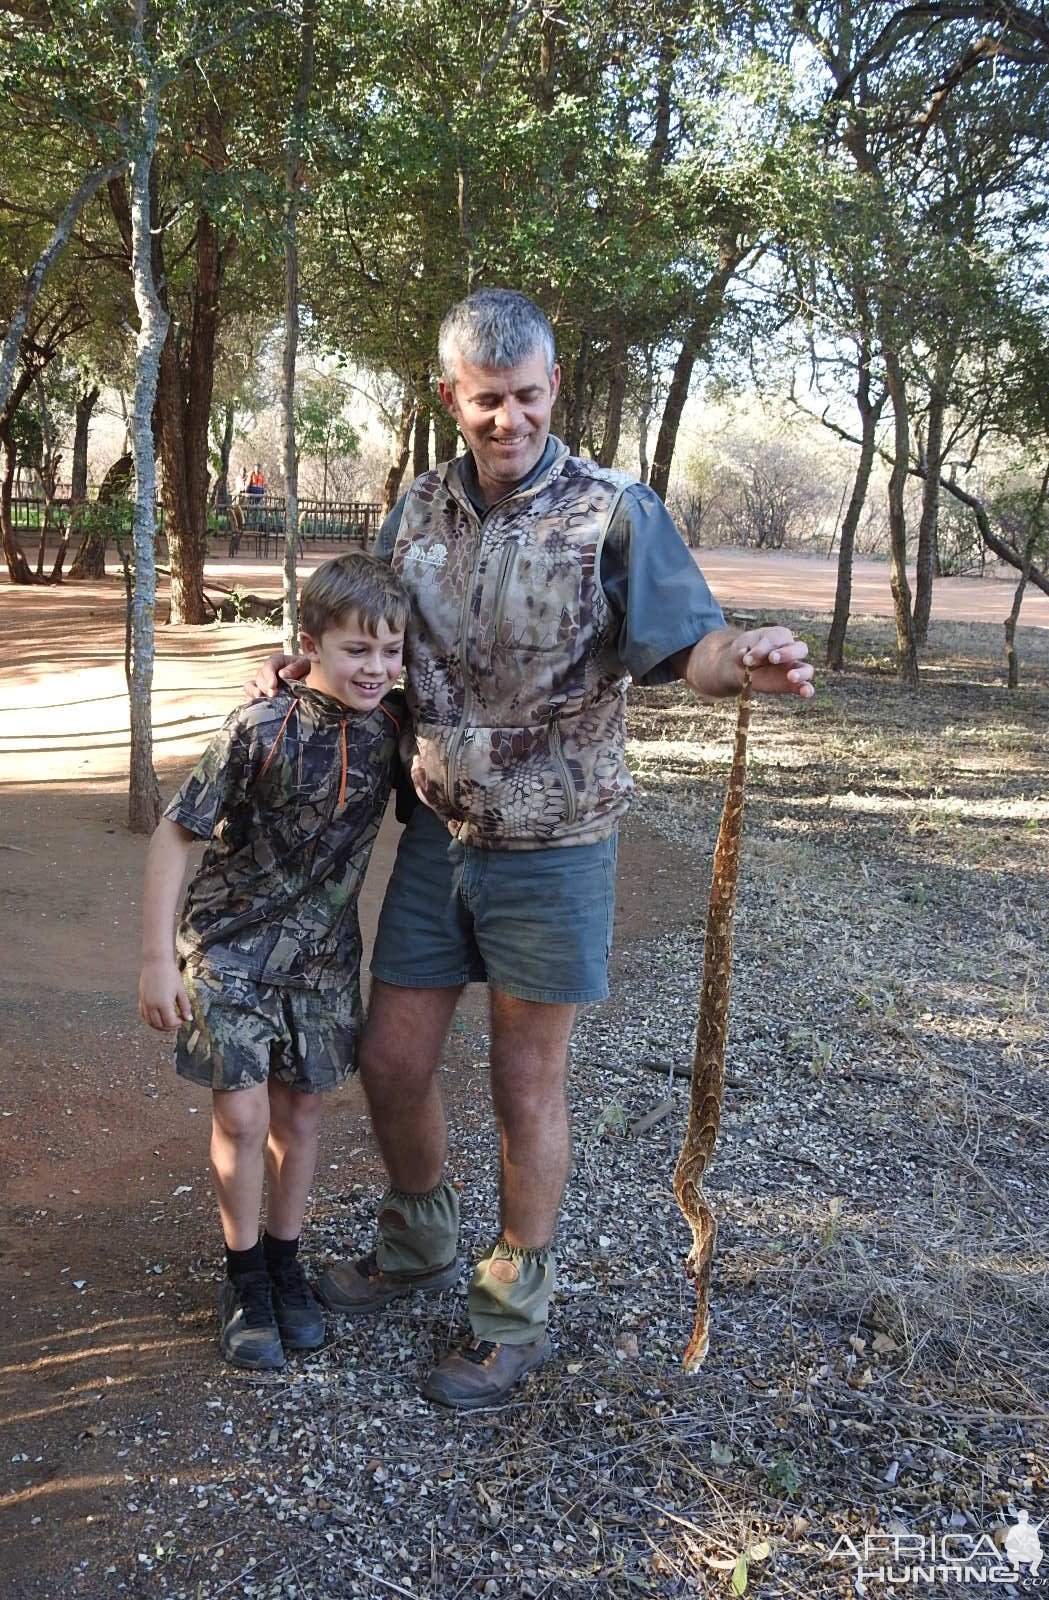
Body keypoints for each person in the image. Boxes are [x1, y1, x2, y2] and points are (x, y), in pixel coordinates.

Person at [252, 288, 815, 1408]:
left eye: (524, 398)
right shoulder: (413, 513)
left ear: (553, 389)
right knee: (395, 1056)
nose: (505, 421)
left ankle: (512, 1310)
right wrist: (306, 673)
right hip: (437, 831)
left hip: (556, 845)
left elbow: (684, 648)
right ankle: (419, 1242)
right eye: (483, 403)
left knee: (525, 1081)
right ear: (451, 398)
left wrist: (740, 657)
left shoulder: (614, 512)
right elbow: (375, 649)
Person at [140, 553, 409, 1370]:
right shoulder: (256, 727)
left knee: (299, 1117)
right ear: (310, 644)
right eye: (356, 649)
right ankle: (244, 1276)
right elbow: (176, 833)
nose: (377, 668)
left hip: (324, 964)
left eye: (391, 650)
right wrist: (156, 958)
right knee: (244, 1116)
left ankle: (287, 1268)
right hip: (229, 951)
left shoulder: (394, 730)